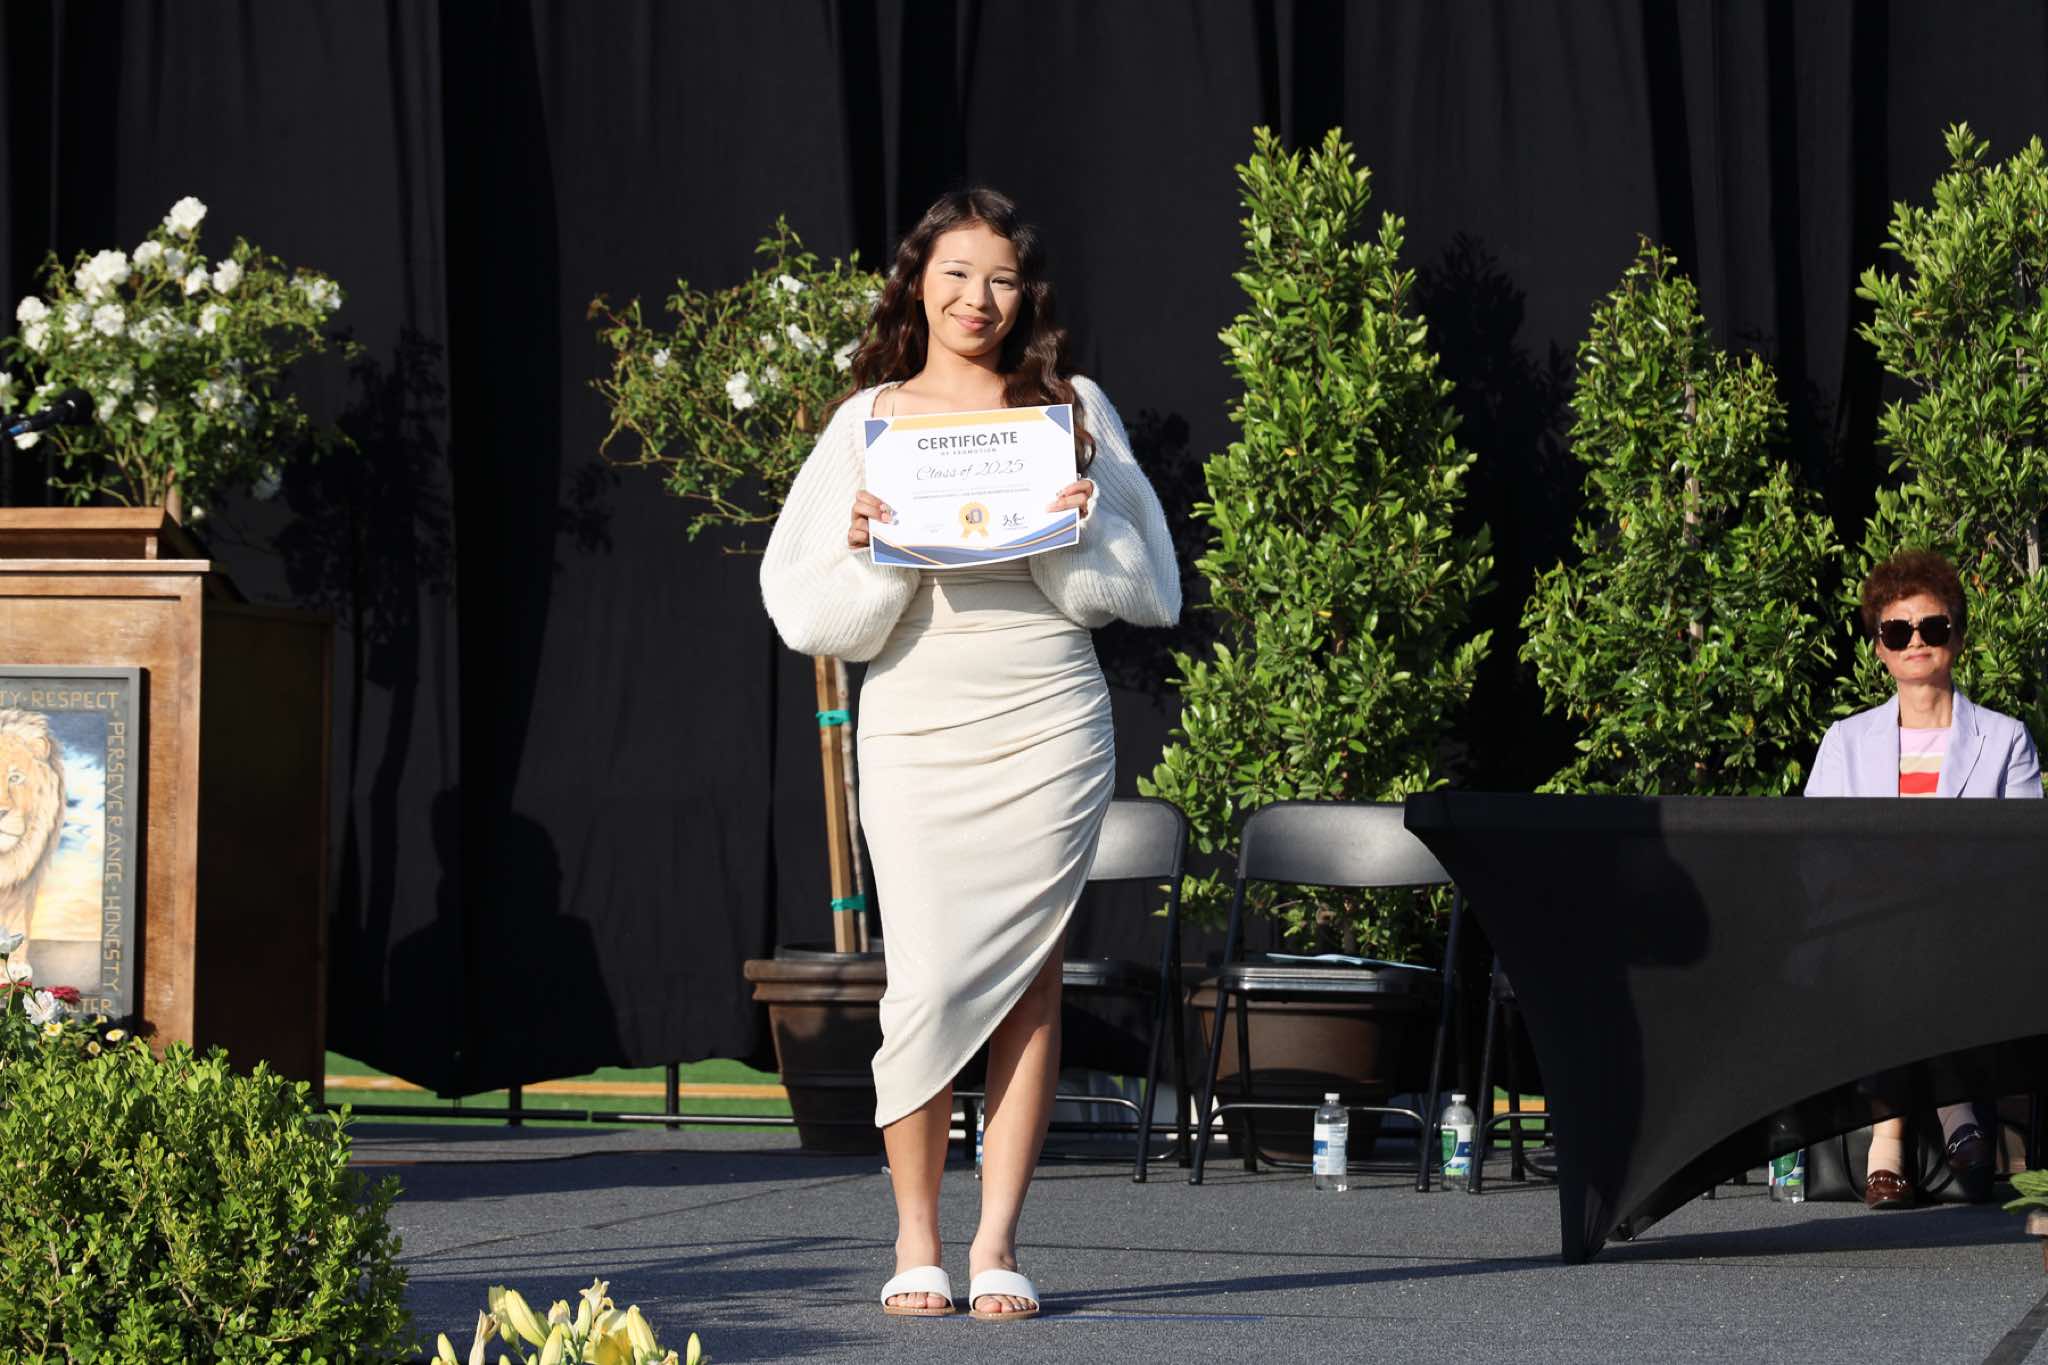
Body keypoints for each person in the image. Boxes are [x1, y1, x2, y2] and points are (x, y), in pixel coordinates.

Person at [759, 188, 1180, 1319]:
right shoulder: (868, 419)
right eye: (955, 273)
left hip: (1046, 719)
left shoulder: (1070, 406)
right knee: (926, 981)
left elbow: (1152, 588)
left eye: (998, 277)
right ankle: (915, 1237)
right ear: (917, 284)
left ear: (1025, 293)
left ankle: (996, 1243)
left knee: (1028, 977)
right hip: (916, 724)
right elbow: (799, 605)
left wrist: (1085, 521)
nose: (976, 298)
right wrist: (868, 547)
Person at [1804, 548, 2041, 1208]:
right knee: (1894, 931)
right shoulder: (1846, 742)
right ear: (1879, 647)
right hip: (1865, 934)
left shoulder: (2005, 739)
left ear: (1956, 638)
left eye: (1932, 626)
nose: (1916, 641)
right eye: (1897, 629)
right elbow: (1814, 855)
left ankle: (1890, 1137)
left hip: (1970, 936)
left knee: (1923, 929)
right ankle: (1951, 1111)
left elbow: (2021, 857)